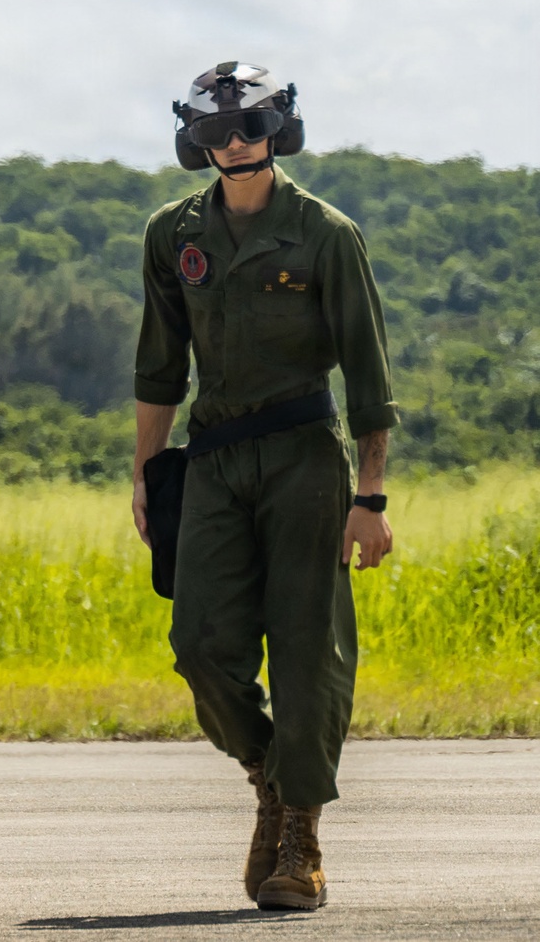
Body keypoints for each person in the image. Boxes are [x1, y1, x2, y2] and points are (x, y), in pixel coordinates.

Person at [132, 61, 397, 912]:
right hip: (213, 458)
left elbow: (368, 375)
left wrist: (371, 498)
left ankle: (301, 842)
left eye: (250, 126)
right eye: (217, 132)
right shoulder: (174, 234)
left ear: (279, 128)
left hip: (304, 458)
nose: (236, 143)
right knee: (200, 647)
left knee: (305, 650)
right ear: (194, 141)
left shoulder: (326, 233)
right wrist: (145, 472)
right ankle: (269, 780)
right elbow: (159, 365)